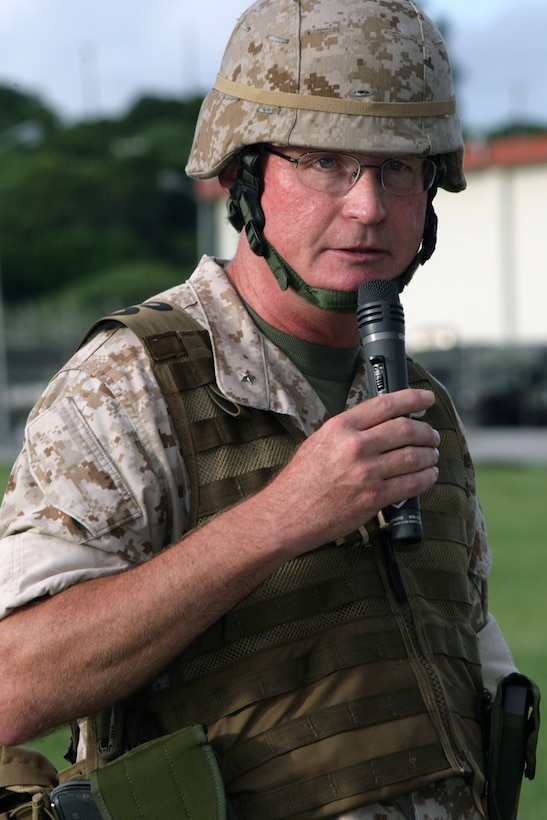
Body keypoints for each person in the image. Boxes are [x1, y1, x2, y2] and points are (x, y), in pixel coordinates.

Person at [0, 1, 536, 818]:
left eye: (399, 169)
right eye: (324, 161)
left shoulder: (418, 403)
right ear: (244, 174)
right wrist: (282, 517)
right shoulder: (130, 383)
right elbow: (14, 684)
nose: (366, 205)